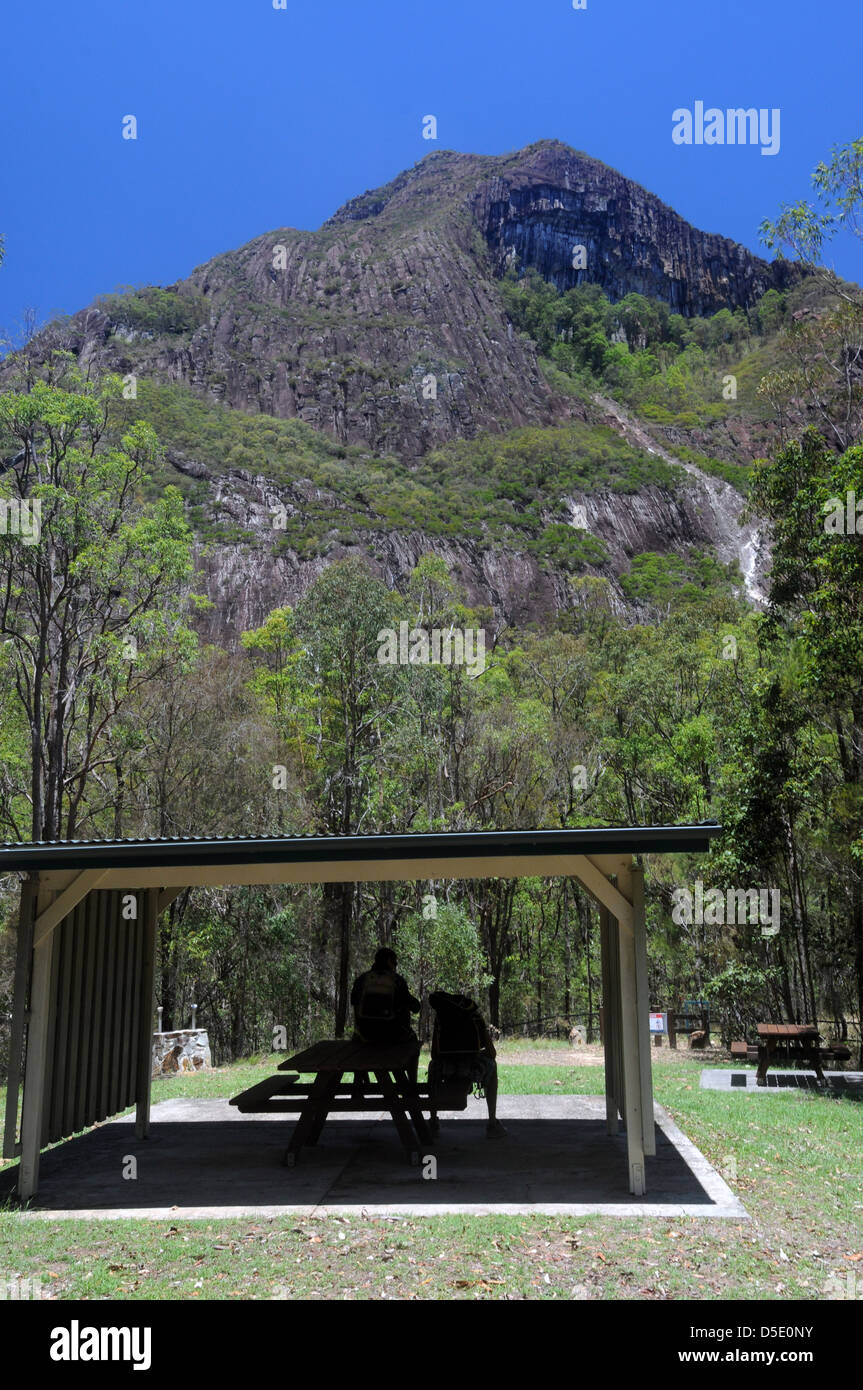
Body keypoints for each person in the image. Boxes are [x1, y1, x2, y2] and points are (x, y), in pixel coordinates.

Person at [428, 990, 506, 1137]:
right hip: (471, 1068)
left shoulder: (441, 1019)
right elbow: (492, 1053)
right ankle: (492, 1123)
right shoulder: (474, 1016)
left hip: (446, 1069)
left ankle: (432, 1121)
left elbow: (434, 1054)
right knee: (492, 1066)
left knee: (432, 1067)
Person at [350, 947, 421, 1081]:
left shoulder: (361, 980)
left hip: (365, 1038)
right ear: (389, 961)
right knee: (414, 1042)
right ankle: (412, 1084)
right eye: (395, 963)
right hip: (393, 1038)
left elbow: (355, 1007)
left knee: (355, 1039)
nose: (396, 966)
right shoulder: (397, 981)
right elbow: (416, 1007)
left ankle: (359, 1085)